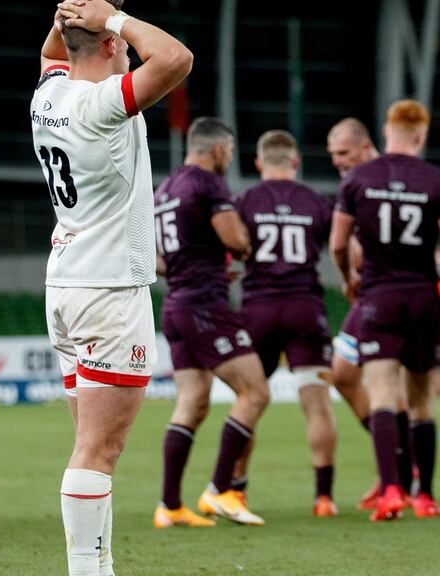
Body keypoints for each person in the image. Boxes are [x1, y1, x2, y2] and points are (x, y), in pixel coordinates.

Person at [34, 0, 192, 573]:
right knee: (99, 451)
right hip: (108, 290)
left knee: (92, 448)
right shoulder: (104, 105)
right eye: (119, 42)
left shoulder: (47, 98)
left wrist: (68, 22)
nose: (126, 47)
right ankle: (86, 571)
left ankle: (98, 565)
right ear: (107, 46)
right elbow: (175, 58)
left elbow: (54, 54)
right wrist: (114, 18)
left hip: (66, 285)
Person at [330, 100, 440, 521]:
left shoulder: (358, 179)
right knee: (422, 400)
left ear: (386, 132)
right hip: (424, 295)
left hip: (378, 297)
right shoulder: (438, 180)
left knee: (384, 394)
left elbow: (338, 243)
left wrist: (347, 276)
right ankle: (425, 496)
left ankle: (391, 491)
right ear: (421, 135)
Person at [152, 117, 269, 528]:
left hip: (176, 306)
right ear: (218, 150)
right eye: (231, 152)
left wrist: (200, 266)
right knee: (254, 392)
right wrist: (243, 247)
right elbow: (237, 241)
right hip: (204, 305)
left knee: (192, 402)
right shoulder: (207, 183)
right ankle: (220, 490)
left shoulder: (163, 189)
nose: (230, 159)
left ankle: (169, 506)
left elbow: (159, 260)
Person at [235, 130, 339, 516]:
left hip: (258, 308)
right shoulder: (316, 202)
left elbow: (229, 245)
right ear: (295, 162)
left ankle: (237, 491)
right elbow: (344, 244)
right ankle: (324, 497)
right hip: (304, 307)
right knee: (316, 402)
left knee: (248, 402)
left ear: (259, 164)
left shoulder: (245, 200)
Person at [326, 118, 416, 510]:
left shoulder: (389, 177)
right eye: (333, 156)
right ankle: (398, 468)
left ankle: (400, 475)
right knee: (346, 374)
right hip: (371, 294)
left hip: (399, 292)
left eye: (344, 154)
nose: (338, 162)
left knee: (392, 385)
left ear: (366, 147)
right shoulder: (356, 183)